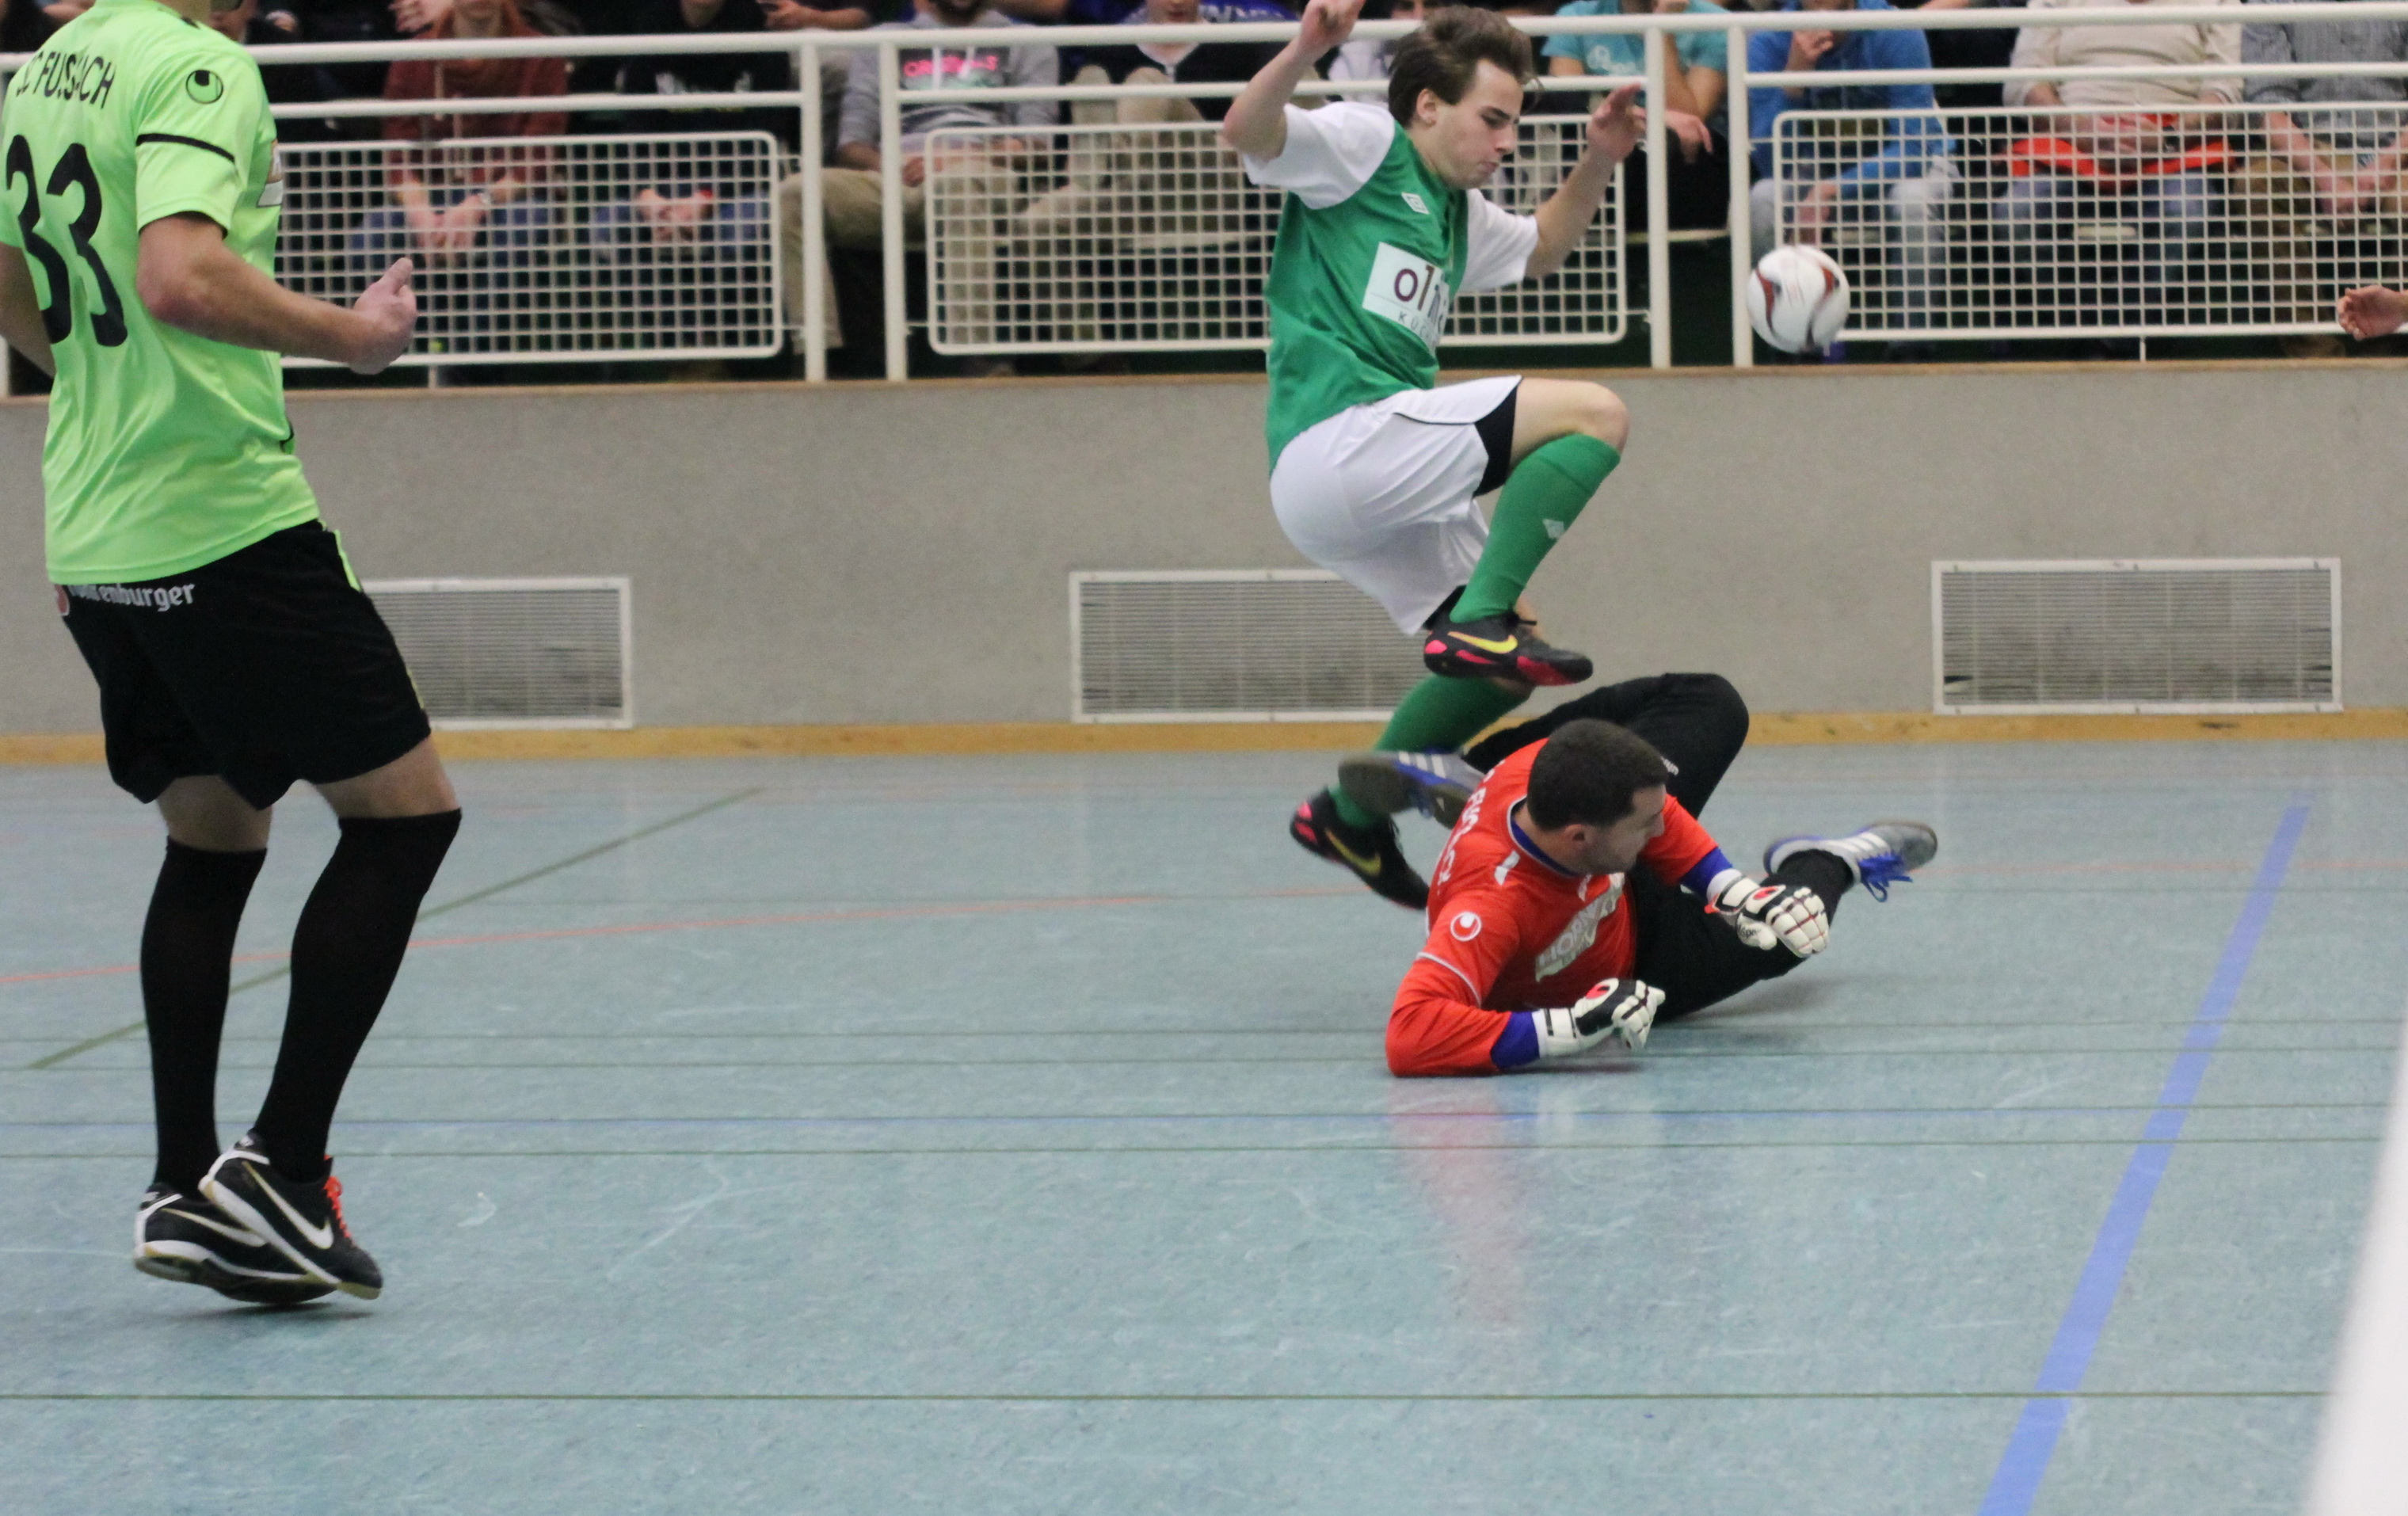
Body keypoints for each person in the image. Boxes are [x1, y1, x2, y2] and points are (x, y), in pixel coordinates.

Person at [0, 0, 457, 1302]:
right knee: (406, 818)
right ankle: (284, 1170)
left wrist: (106, 398)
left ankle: (182, 1186)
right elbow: (179, 276)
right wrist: (356, 339)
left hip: (95, 530)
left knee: (212, 843)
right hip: (221, 522)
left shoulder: (46, 71)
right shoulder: (199, 68)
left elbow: (12, 284)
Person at [1224, 1, 1693, 908]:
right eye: (1492, 119)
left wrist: (1599, 157)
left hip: (1365, 490)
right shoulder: (1365, 145)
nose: (1507, 142)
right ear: (1428, 107)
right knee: (1594, 415)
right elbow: (1246, 130)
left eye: (1514, 123)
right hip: (1341, 443)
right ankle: (1471, 623)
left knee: (1512, 658)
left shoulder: (1454, 211)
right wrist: (1306, 48)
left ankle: (1343, 819)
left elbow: (1542, 248)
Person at [1367, 676, 1936, 1076]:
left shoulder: (1540, 765)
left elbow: (1661, 819)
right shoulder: (1488, 909)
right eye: (1647, 824)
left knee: (1711, 701)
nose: (1661, 827)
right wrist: (1569, 1029)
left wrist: (1735, 892)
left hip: (1614, 877)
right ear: (1578, 835)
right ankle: (1833, 859)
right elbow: (1409, 1035)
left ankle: (1466, 766)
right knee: (1790, 935)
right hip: (1636, 973)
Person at [775, 0, 1057, 371]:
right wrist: (896, 167)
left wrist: (953, 159)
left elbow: (1036, 144)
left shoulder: (1026, 40)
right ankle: (818, 356)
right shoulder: (886, 40)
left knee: (956, 185)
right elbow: (852, 144)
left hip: (983, 171)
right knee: (797, 194)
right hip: (899, 175)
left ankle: (974, 357)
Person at [1997, 0, 2242, 317]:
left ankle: (2128, 334)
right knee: (2018, 213)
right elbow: (2024, 81)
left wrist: (2168, 137)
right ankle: (2077, 325)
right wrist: (2078, 130)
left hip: (2173, 144)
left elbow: (2226, 91)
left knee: (2187, 211)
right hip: (2071, 140)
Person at [352, 0, 570, 345]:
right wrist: (420, 213)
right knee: (371, 236)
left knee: (523, 227)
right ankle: (403, 349)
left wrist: (479, 204)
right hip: (431, 195)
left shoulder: (541, 54)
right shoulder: (413, 55)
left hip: (508, 197)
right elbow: (398, 155)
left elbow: (537, 158)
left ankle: (479, 353)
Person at [1747, 0, 1953, 343]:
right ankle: (1788, 341)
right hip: (1818, 166)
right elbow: (1770, 162)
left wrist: (1832, 189)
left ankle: (1911, 346)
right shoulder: (1770, 39)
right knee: (1763, 199)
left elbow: (1915, 151)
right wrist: (1792, 82)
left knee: (1912, 200)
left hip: (1907, 166)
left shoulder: (1895, 30)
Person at [2240, 0, 2408, 356]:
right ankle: (2314, 355)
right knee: (2256, 185)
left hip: (2396, 147)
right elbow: (2269, 108)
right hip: (2311, 146)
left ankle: (2391, 345)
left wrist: (2385, 165)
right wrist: (2324, 177)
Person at [1544, 0, 1732, 230]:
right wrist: (1649, 116)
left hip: (1681, 166)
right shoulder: (1575, 16)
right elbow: (1566, 104)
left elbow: (1687, 120)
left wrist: (1662, 31)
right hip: (1599, 157)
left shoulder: (1714, 22)